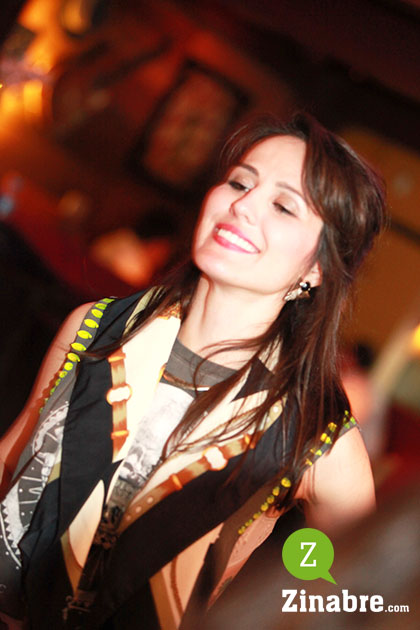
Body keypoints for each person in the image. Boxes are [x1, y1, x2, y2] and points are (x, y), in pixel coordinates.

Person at [0, 112, 386, 629]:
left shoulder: (314, 434)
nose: (242, 205)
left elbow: (363, 594)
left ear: (317, 267)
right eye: (239, 183)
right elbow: (12, 458)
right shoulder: (96, 326)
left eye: (283, 206)